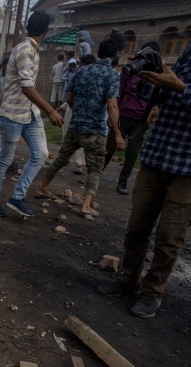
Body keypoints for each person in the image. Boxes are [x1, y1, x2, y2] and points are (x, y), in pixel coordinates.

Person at [97, 43, 191, 318]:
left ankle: (153, 292)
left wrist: (182, 88)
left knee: (169, 236)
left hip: (187, 166)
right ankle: (129, 278)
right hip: (157, 155)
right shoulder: (187, 52)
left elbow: (178, 88)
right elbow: (158, 98)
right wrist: (148, 75)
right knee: (137, 226)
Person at [0, 10, 63, 218]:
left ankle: (17, 197)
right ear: (45, 31)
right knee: (5, 160)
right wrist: (51, 110)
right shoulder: (26, 50)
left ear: (29, 27)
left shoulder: (32, 50)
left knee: (41, 154)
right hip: (12, 114)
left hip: (30, 113)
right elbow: (27, 87)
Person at [36, 38, 122, 218]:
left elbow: (68, 97)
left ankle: (43, 187)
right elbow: (112, 106)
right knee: (95, 168)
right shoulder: (112, 75)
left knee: (60, 159)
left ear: (98, 53)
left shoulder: (81, 71)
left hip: (75, 126)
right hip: (95, 129)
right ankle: (86, 205)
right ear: (114, 56)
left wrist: (79, 111)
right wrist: (118, 133)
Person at [104, 42, 160, 195]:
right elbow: (118, 92)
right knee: (109, 148)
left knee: (132, 152)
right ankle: (97, 173)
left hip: (141, 120)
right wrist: (112, 115)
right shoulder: (131, 69)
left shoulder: (159, 73)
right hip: (123, 115)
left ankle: (123, 180)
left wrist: (157, 107)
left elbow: (159, 97)